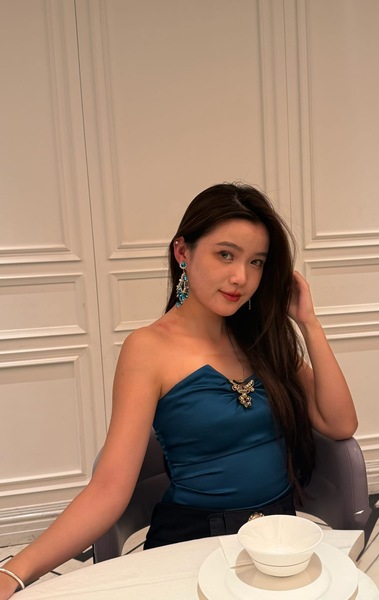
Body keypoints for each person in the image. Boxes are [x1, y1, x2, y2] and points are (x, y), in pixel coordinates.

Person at [0, 182, 357, 596]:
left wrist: (308, 323)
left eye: (256, 262)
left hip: (276, 541)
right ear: (183, 252)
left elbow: (339, 424)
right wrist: (14, 573)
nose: (241, 277)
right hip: (193, 539)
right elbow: (109, 488)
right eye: (225, 254)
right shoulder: (147, 349)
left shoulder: (264, 339)